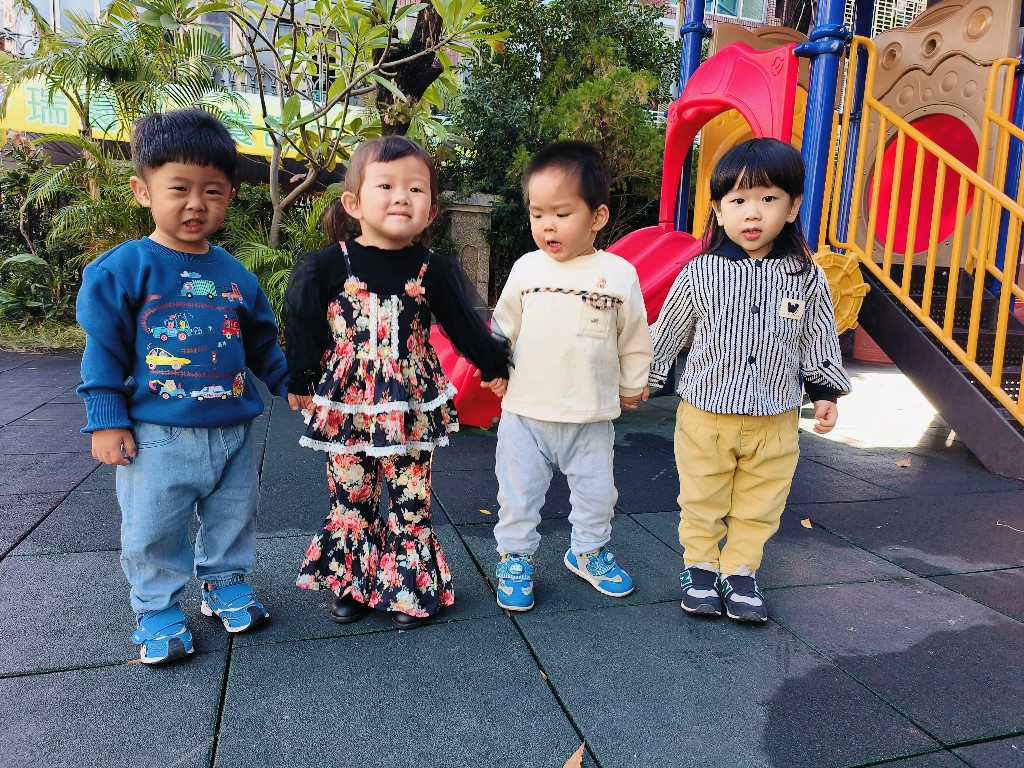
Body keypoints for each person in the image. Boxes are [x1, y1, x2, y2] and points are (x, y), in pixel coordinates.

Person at [76, 109, 291, 665]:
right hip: (157, 434)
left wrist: (290, 382)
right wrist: (106, 419)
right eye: (179, 189)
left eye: (212, 192)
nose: (196, 204)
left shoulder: (235, 274)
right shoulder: (124, 269)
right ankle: (156, 607)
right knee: (153, 526)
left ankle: (224, 581)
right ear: (143, 191)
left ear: (230, 196)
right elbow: (103, 350)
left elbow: (261, 342)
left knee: (234, 513)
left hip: (233, 429)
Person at [285, 136, 509, 630]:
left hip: (411, 403)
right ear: (353, 203)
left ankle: (408, 586)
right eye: (385, 186)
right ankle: (353, 584)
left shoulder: (433, 269)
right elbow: (302, 320)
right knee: (351, 493)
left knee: (410, 495)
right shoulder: (327, 265)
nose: (401, 197)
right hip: (347, 401)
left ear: (432, 210)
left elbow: (465, 326)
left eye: (416, 188)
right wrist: (300, 374)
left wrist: (495, 365)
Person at [648, 137, 852, 623]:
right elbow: (669, 330)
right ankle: (700, 567)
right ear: (719, 212)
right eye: (738, 200)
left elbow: (818, 336)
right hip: (706, 414)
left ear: (792, 206)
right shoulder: (701, 272)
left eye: (768, 198)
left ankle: (740, 570)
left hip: (775, 418)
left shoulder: (806, 277)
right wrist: (644, 377)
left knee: (762, 501)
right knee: (702, 497)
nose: (752, 212)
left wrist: (825, 392)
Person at [483, 141, 653, 612]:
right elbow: (502, 327)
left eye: (561, 213)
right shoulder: (527, 269)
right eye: (537, 214)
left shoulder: (618, 274)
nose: (547, 226)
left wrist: (632, 382)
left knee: (598, 494)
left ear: (597, 216)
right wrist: (494, 367)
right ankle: (515, 557)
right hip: (526, 413)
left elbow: (634, 335)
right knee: (518, 495)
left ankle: (588, 551)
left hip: (590, 415)